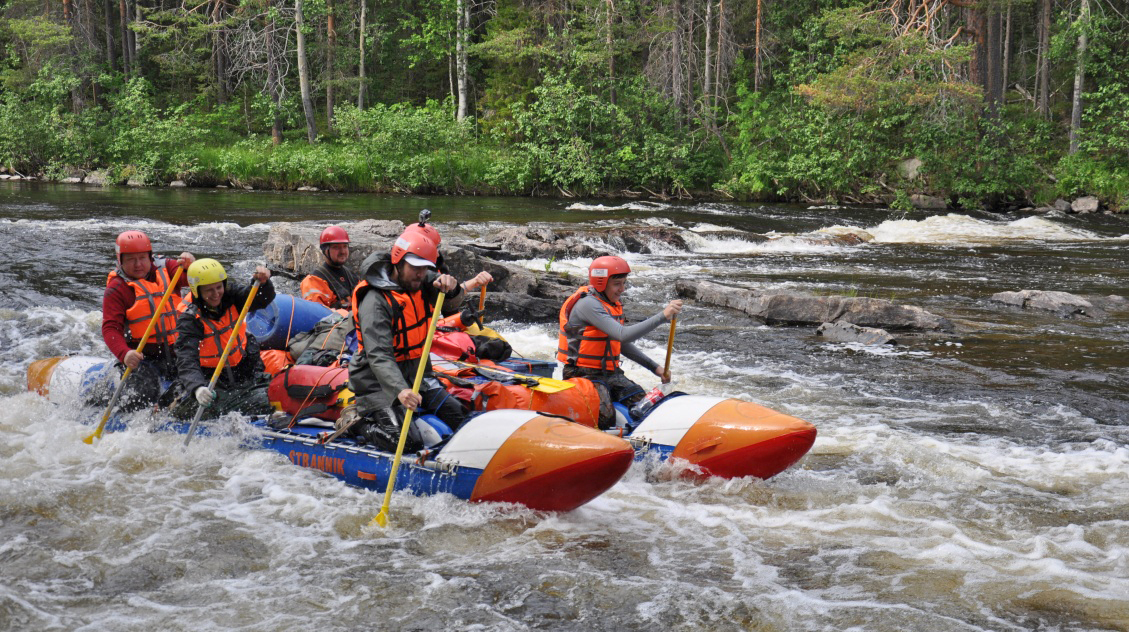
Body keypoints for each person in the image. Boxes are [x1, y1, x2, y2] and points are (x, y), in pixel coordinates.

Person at [347, 229, 491, 451]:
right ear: (398, 261)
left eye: (425, 268)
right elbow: (379, 356)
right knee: (406, 442)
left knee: (461, 419)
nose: (420, 273)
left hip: (417, 375)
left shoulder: (422, 282)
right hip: (377, 383)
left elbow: (448, 303)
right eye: (415, 267)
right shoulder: (375, 301)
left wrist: (450, 288)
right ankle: (357, 423)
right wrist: (400, 390)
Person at [557, 255, 682, 428]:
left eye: (624, 283)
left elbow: (620, 344)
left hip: (610, 373)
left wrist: (655, 368)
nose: (622, 289)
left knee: (645, 406)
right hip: (582, 374)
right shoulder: (588, 305)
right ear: (601, 283)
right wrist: (663, 316)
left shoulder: (610, 302)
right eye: (617, 284)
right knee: (605, 417)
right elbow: (623, 335)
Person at [101, 230, 195, 408]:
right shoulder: (116, 289)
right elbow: (110, 328)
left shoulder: (168, 268)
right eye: (131, 259)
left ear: (150, 257)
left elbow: (195, 279)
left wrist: (192, 264)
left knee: (196, 383)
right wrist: (125, 353)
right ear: (120, 260)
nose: (138, 264)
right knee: (143, 394)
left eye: (142, 258)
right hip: (144, 359)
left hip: (178, 353)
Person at [172, 259, 276, 418]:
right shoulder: (190, 319)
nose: (216, 294)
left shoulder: (232, 296)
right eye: (209, 290)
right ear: (197, 291)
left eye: (219, 287)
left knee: (273, 395)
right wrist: (197, 387)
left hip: (242, 370)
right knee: (218, 405)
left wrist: (264, 283)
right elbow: (186, 359)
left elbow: (260, 299)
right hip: (210, 377)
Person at [300, 225, 359, 310]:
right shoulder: (313, 281)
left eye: (345, 246)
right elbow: (317, 316)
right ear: (325, 250)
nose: (342, 251)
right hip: (336, 322)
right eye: (336, 247)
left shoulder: (352, 276)